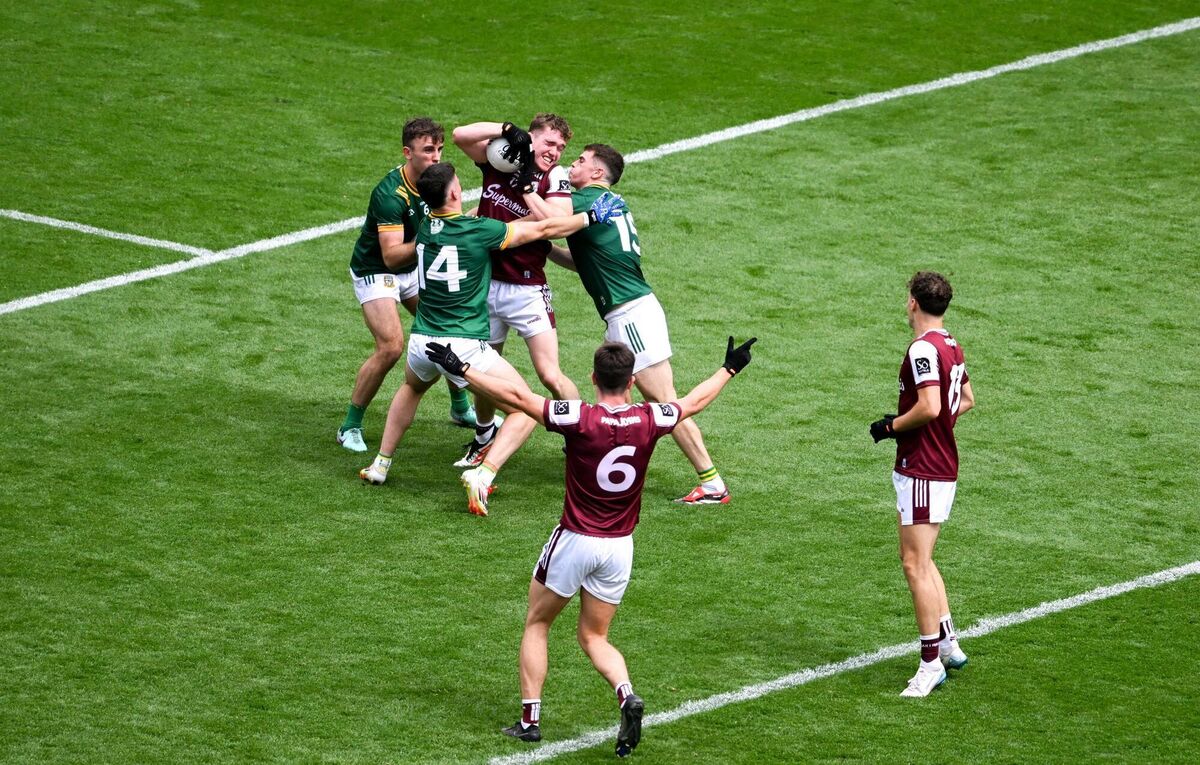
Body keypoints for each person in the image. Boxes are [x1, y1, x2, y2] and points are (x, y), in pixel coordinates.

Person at [424, 335, 757, 755]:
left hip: (576, 539)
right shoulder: (651, 418)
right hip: (619, 547)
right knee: (594, 636)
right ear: (632, 381)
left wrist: (462, 367)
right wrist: (730, 369)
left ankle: (530, 721)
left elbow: (517, 397)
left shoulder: (578, 417)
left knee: (538, 623)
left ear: (594, 378)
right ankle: (625, 694)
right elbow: (693, 403)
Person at [459, 144, 732, 516]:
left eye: (583, 161)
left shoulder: (587, 198)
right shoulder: (603, 202)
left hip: (631, 314)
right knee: (622, 396)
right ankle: (610, 454)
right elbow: (584, 260)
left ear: (598, 174)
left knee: (664, 401)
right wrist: (548, 249)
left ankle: (711, 481)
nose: (575, 163)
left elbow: (551, 223)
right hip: (629, 312)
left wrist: (524, 192)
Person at [357, 162, 626, 493]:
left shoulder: (426, 226)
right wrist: (589, 218)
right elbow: (540, 230)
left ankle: (381, 462)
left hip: (422, 340)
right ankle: (484, 472)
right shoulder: (479, 231)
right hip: (462, 345)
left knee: (412, 388)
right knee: (526, 407)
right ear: (454, 192)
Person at [337, 117, 477, 453]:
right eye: (429, 150)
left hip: (414, 267)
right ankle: (349, 426)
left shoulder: (436, 182)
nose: (436, 156)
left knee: (445, 330)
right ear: (407, 152)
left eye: (439, 149)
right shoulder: (390, 195)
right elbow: (392, 256)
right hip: (378, 270)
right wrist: (434, 235)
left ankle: (460, 408)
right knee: (391, 347)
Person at [450, 114, 579, 466]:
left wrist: (518, 204)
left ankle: (582, 435)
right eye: (549, 143)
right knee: (484, 370)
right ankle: (484, 434)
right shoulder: (503, 157)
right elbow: (461, 135)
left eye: (561, 147)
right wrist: (507, 130)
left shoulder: (556, 176)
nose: (555, 152)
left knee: (550, 374)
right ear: (531, 137)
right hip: (485, 285)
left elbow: (559, 224)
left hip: (526, 289)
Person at [870, 271, 975, 698]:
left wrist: (892, 426)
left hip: (922, 467)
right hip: (942, 464)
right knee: (923, 559)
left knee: (914, 564)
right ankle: (948, 643)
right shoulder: (950, 344)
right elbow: (965, 400)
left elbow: (931, 406)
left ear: (913, 302)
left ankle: (930, 663)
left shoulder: (922, 349)